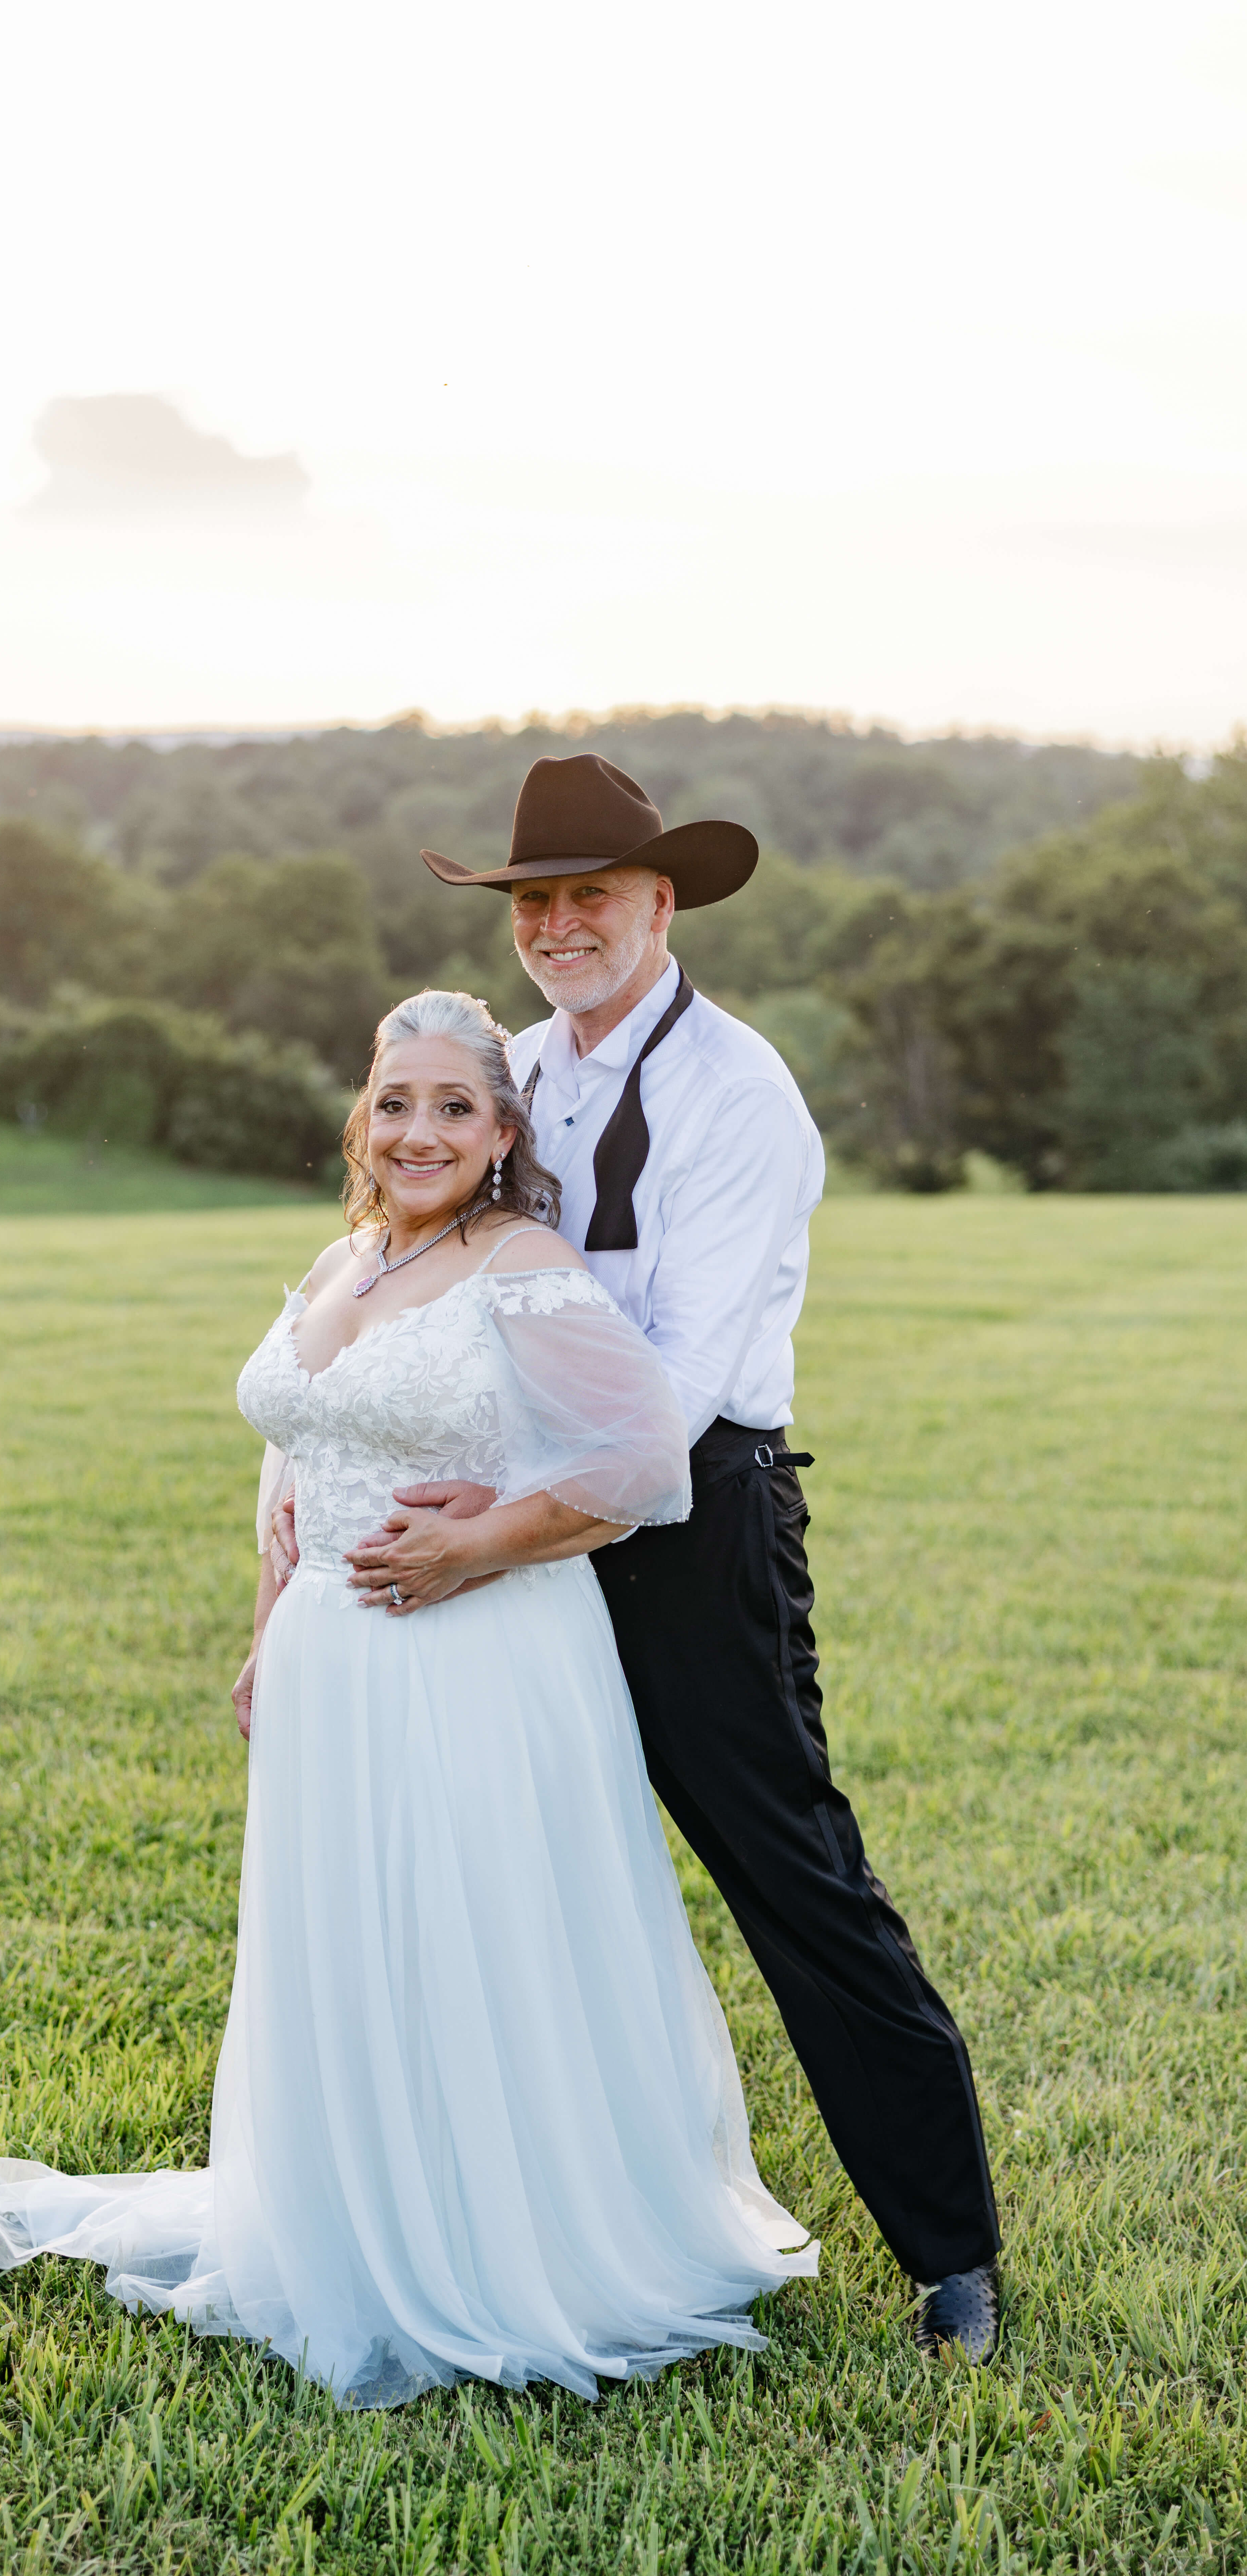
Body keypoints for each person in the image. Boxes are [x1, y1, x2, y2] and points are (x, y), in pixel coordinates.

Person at [0, 988, 818, 2408]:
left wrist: (483, 1536)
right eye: (396, 1102)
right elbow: (290, 1452)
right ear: (363, 1115)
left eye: (456, 1106)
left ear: (504, 1131)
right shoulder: (343, 1258)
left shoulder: (519, 1260)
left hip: (479, 1651)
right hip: (334, 1659)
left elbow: (646, 1456)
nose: (419, 1130)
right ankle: (347, 2211)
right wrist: (266, 1629)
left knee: (467, 1934)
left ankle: (494, 2243)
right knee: (348, 1941)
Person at [321, 752, 1002, 2361]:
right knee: (514, 1870)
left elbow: (677, 1388)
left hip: (692, 1515)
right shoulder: (518, 1070)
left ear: (660, 903)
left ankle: (952, 2255)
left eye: (592, 896)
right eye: (536, 901)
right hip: (514, 1522)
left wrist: (505, 1532)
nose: (560, 926)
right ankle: (509, 2224)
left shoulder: (735, 1092)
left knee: (790, 1870)